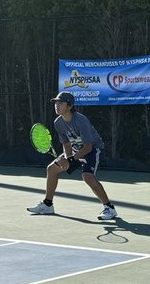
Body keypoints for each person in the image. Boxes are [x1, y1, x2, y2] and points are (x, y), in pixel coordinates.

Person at [27, 91, 118, 221]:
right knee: (52, 169)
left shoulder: (81, 120)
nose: (57, 106)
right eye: (55, 103)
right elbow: (67, 144)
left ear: (69, 106)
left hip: (93, 150)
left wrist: (70, 159)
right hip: (75, 150)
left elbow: (88, 147)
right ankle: (48, 205)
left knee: (87, 176)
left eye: (60, 103)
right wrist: (66, 157)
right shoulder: (58, 122)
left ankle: (109, 208)